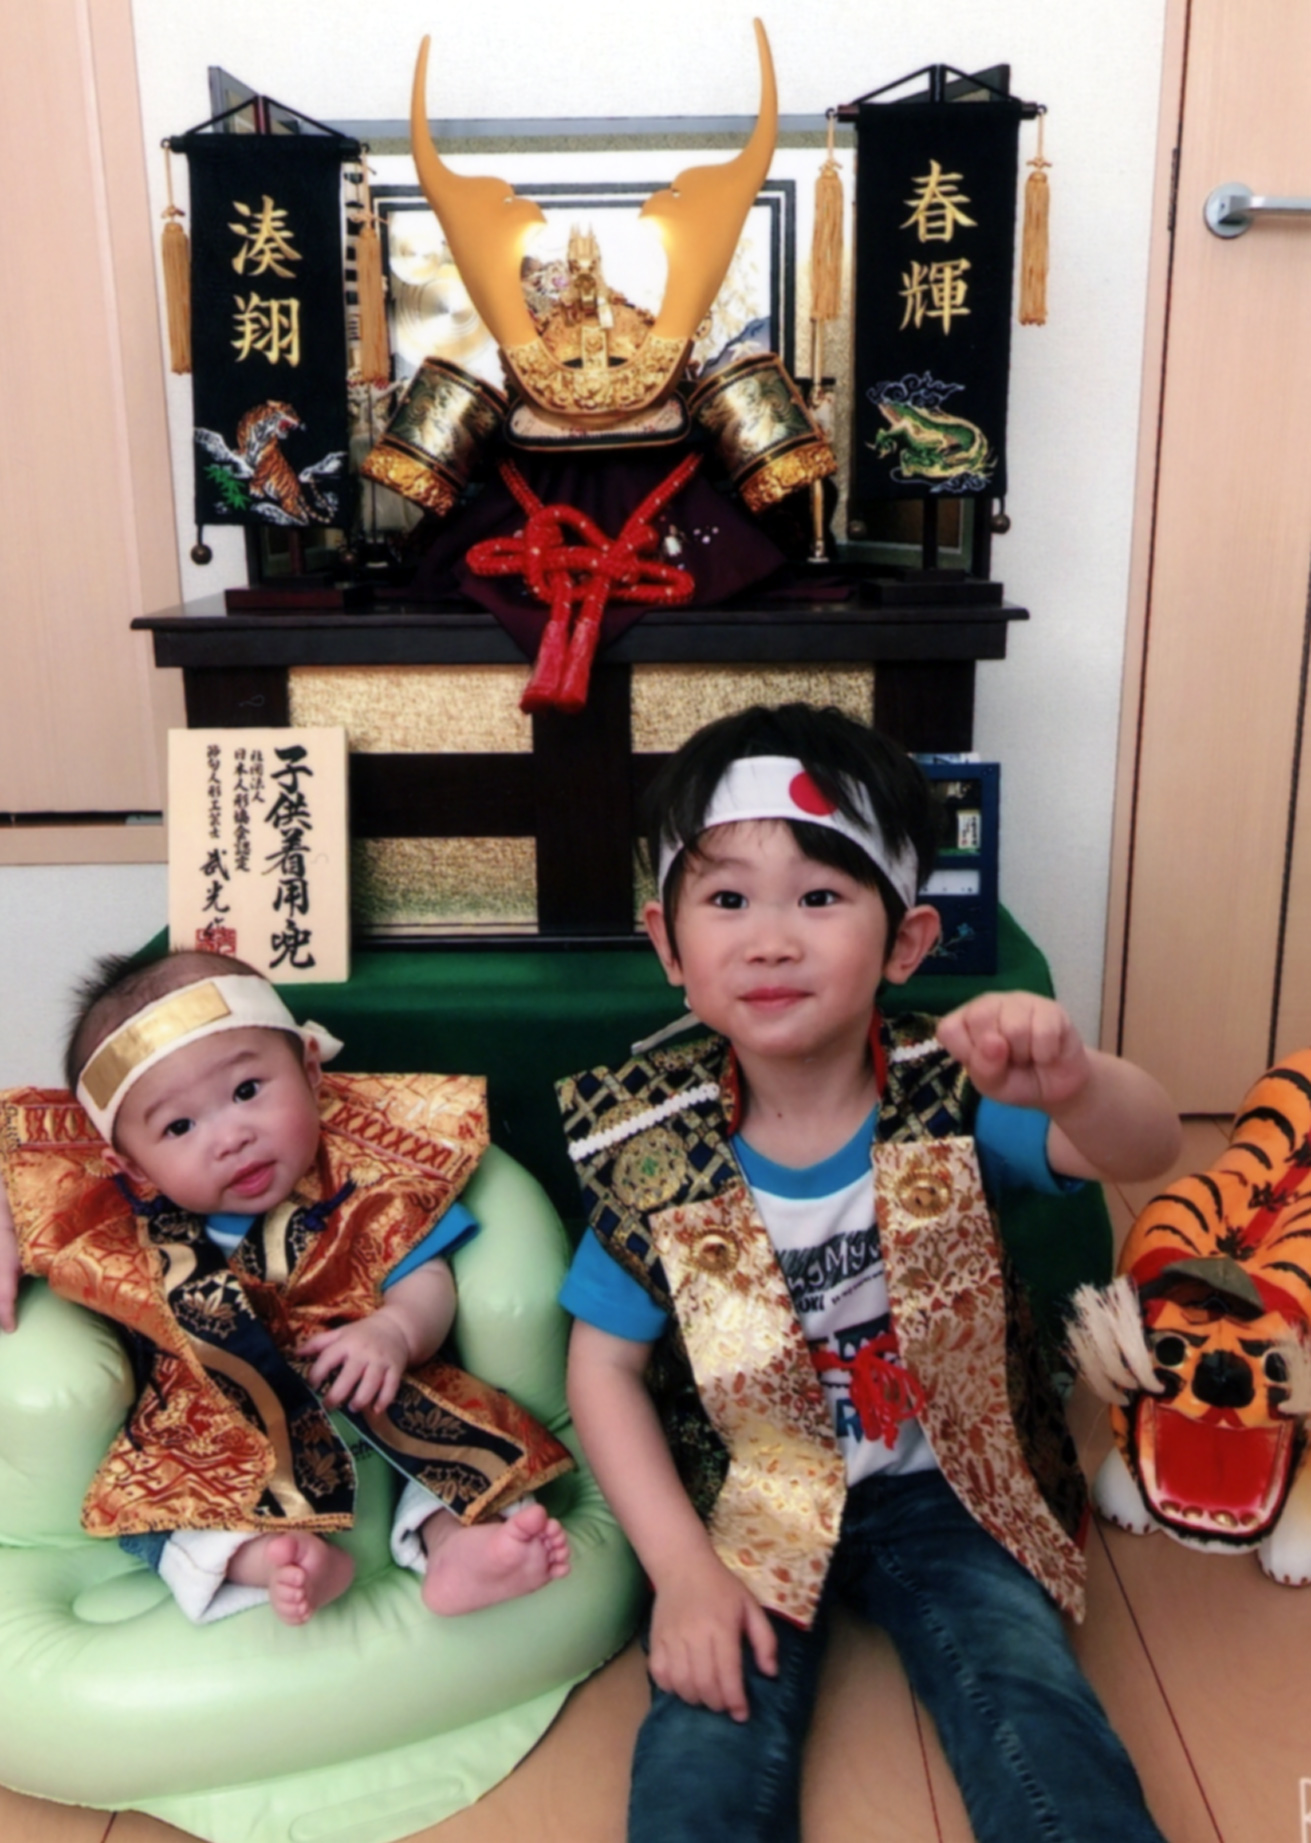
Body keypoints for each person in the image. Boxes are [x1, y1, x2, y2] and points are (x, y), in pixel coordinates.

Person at [556, 703, 1180, 1843]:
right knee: (700, 1746)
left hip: (952, 1485)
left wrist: (1076, 1082)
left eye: (819, 897)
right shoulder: (655, 1147)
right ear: (667, 944)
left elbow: (1145, 1150)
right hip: (751, 1486)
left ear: (906, 941)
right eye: (727, 900)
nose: (770, 939)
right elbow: (601, 1367)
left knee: (1033, 1703)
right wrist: (682, 1571)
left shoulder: (956, 1089)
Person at [0, 948, 571, 1627]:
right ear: (131, 1164)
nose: (231, 1137)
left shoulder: (369, 1174)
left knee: (461, 1448)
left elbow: (425, 1274)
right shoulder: (116, 1213)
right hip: (216, 1415)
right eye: (179, 1127)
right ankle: (270, 1561)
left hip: (367, 1382)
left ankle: (456, 1547)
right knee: (159, 1511)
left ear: (309, 1069)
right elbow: (26, 1167)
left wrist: (394, 1330)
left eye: (247, 1091)